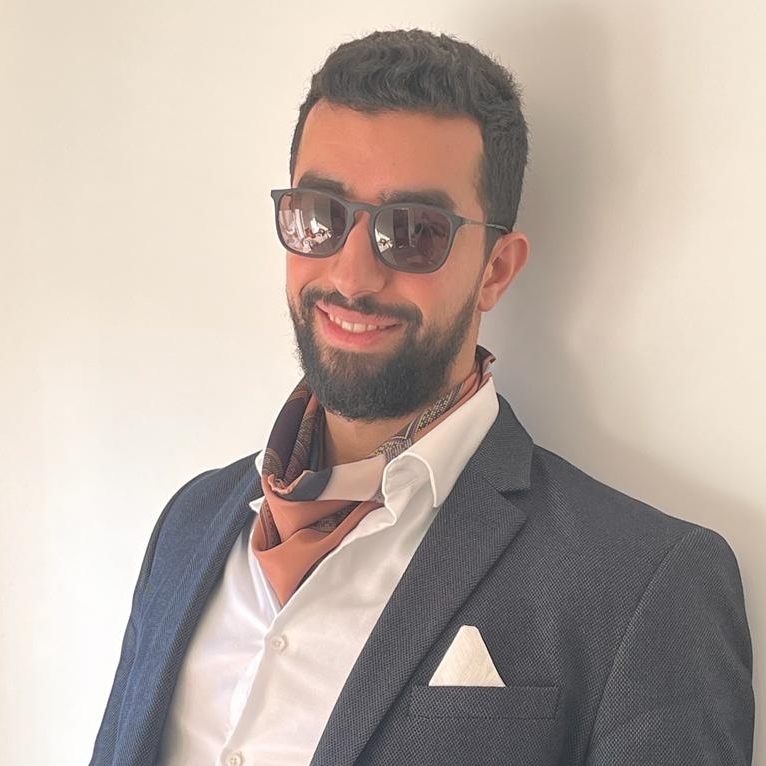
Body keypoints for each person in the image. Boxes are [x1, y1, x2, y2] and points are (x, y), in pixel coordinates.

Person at [90, 29, 754, 766]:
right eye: (320, 213)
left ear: (496, 270)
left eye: (412, 232)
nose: (351, 276)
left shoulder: (643, 583)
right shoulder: (188, 525)